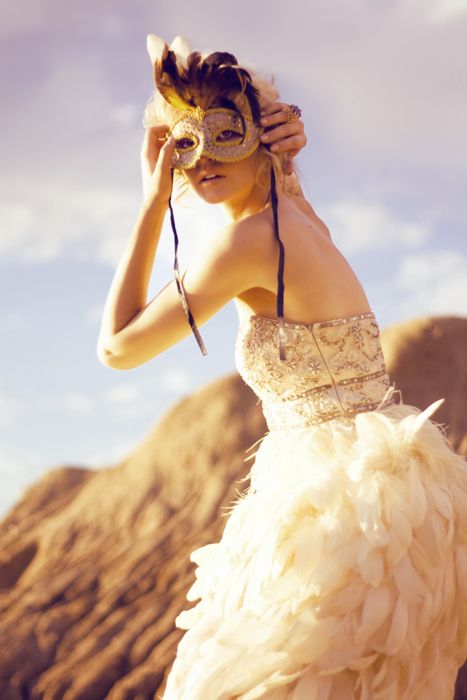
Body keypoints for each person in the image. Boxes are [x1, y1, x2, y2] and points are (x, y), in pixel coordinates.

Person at [97, 35, 467, 700]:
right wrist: (285, 153)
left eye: (223, 132)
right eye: (185, 142)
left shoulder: (242, 243)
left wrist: (150, 206)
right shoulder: (294, 212)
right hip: (397, 489)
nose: (202, 158)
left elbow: (117, 348)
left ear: (257, 135)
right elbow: (284, 180)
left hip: (341, 509)